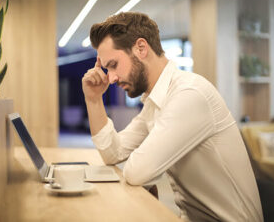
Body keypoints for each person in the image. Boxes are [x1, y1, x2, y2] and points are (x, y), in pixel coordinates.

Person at [82, 12, 263, 222]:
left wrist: (143, 164)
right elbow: (113, 153)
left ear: (141, 48)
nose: (110, 78)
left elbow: (137, 172)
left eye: (113, 65)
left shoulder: (189, 94)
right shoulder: (155, 101)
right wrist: (94, 100)